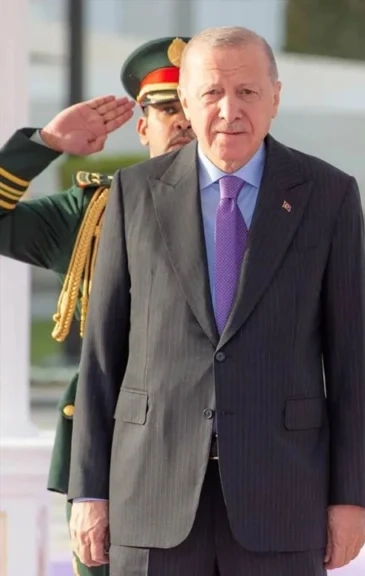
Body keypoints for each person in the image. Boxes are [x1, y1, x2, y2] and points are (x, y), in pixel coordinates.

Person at [66, 26, 365, 575]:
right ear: (186, 102)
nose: (230, 111)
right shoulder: (134, 193)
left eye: (247, 92)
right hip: (152, 495)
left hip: (281, 497)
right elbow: (102, 355)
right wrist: (89, 492)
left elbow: (351, 357)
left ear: (275, 97)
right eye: (211, 93)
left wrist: (351, 498)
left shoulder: (328, 195)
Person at [0, 35, 197, 576]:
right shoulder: (94, 214)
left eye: (192, 105)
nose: (182, 121)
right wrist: (44, 143)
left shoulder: (258, 207)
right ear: (143, 126)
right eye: (166, 109)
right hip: (115, 461)